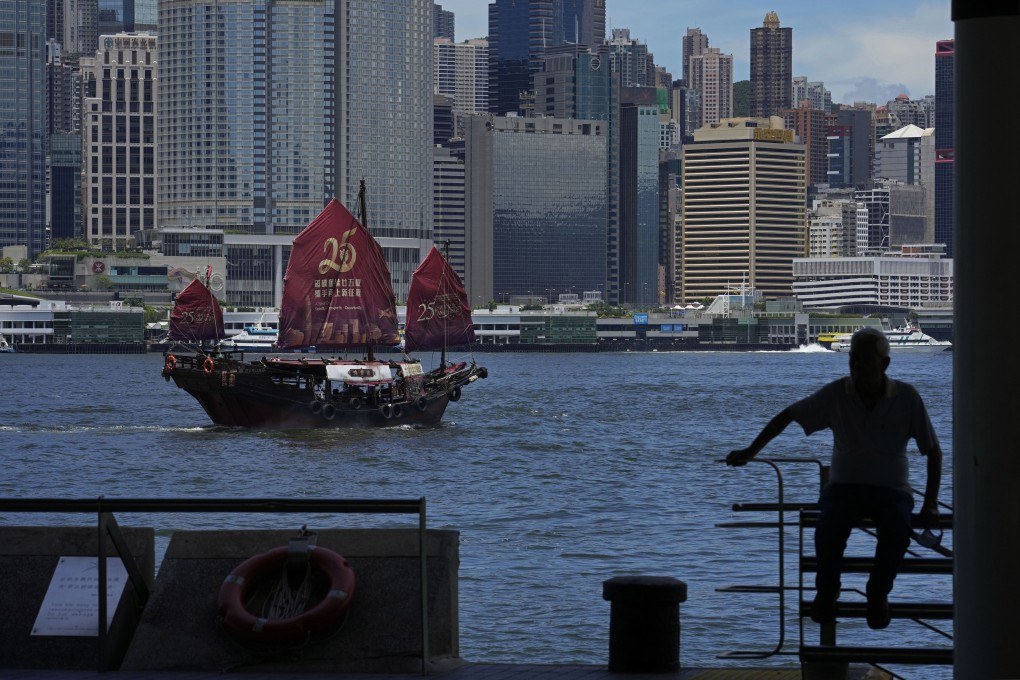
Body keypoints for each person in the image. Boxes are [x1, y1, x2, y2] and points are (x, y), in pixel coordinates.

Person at [725, 327, 942, 630]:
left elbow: (933, 451)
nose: (857, 367)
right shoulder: (837, 393)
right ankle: (827, 592)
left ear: (885, 364)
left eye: (865, 360)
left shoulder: (906, 396)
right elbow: (787, 416)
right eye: (853, 359)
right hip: (843, 489)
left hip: (891, 491)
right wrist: (751, 451)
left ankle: (877, 593)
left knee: (896, 529)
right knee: (828, 529)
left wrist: (930, 503)